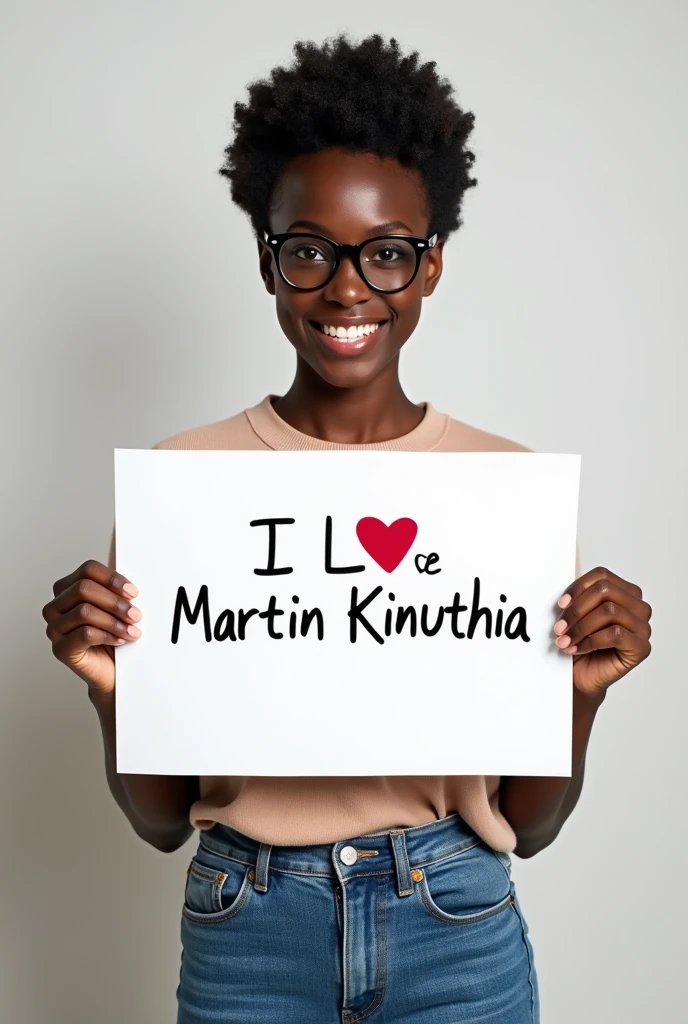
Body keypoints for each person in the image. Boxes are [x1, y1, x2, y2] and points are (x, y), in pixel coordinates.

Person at [42, 32, 652, 1024]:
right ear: (267, 259)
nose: (347, 286)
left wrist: (580, 694)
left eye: (387, 252)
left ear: (431, 264)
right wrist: (109, 687)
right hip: (249, 923)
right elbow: (159, 821)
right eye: (310, 248)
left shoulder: (503, 492)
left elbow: (527, 827)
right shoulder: (186, 484)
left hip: (453, 920)